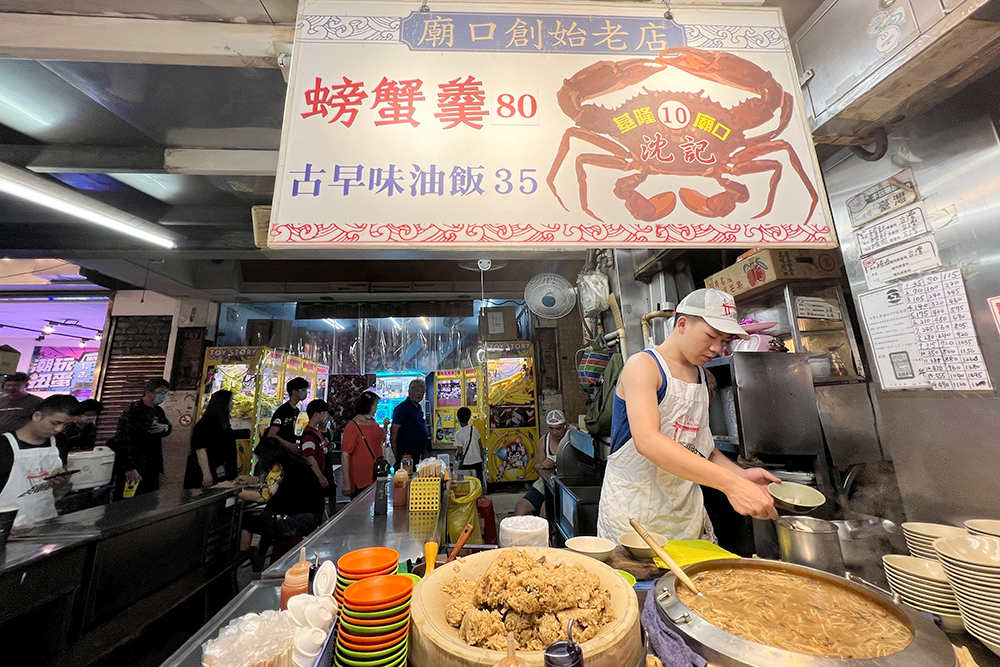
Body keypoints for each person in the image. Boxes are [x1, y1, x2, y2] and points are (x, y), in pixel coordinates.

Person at [596, 289, 779, 543]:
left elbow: (703, 449)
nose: (716, 348)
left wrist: (740, 475)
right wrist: (730, 485)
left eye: (724, 340)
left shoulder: (705, 379)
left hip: (684, 516)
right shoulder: (644, 366)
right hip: (635, 517)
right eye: (711, 336)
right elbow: (648, 442)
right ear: (682, 323)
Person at [235, 436, 325, 562]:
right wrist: (255, 480)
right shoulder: (293, 461)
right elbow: (278, 483)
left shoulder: (279, 466)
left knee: (247, 521)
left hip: (297, 521)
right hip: (314, 517)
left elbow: (261, 497)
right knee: (268, 513)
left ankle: (240, 563)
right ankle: (259, 558)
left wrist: (234, 490)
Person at [0, 394, 78, 528]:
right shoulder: (3, 445)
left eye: (65, 424)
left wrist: (60, 482)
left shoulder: (59, 442)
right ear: (37, 416)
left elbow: (56, 490)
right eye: (55, 423)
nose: (59, 429)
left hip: (46, 522)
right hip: (7, 527)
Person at [113, 378, 172, 497]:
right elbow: (121, 441)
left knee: (150, 502)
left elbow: (168, 428)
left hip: (152, 466)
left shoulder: (158, 411)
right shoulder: (133, 412)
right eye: (161, 392)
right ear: (150, 392)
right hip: (134, 465)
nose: (163, 396)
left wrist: (164, 428)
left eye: (165, 392)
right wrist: (129, 467)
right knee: (129, 503)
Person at [514, 410, 571, 516]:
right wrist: (543, 465)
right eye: (551, 429)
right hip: (545, 484)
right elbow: (536, 466)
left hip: (564, 486)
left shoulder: (571, 439)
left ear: (564, 426)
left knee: (545, 510)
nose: (555, 432)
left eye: (558, 428)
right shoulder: (544, 440)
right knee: (520, 507)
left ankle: (546, 532)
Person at [183, 390, 238, 489]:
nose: (232, 404)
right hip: (206, 472)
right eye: (231, 401)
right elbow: (200, 449)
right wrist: (206, 473)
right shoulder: (206, 424)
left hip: (219, 471)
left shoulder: (223, 423)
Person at [342, 391, 382, 499]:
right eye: (375, 405)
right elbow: (345, 454)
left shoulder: (373, 422)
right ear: (368, 405)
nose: (377, 408)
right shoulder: (352, 426)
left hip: (376, 473)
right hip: (360, 478)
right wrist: (346, 482)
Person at [267, 377, 309, 452]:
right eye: (303, 390)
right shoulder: (283, 410)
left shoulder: (296, 410)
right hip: (278, 451)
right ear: (294, 392)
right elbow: (271, 434)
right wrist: (289, 445)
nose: (305, 392)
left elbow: (288, 432)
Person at [390, 379, 428, 462]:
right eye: (417, 390)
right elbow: (394, 431)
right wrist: (395, 454)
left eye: (422, 392)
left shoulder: (418, 408)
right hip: (406, 454)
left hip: (418, 452)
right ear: (409, 391)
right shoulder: (401, 409)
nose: (419, 394)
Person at [299, 399, 331, 492]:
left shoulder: (316, 432)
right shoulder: (309, 435)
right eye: (324, 413)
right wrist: (320, 476)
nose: (325, 416)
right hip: (312, 479)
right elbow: (309, 457)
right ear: (316, 414)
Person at [454, 406, 483, 481]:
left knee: (468, 485)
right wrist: (481, 457)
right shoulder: (474, 429)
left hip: (466, 463)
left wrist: (457, 455)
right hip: (477, 461)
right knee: (478, 484)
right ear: (469, 417)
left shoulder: (458, 434)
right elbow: (480, 444)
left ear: (458, 418)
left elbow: (460, 451)